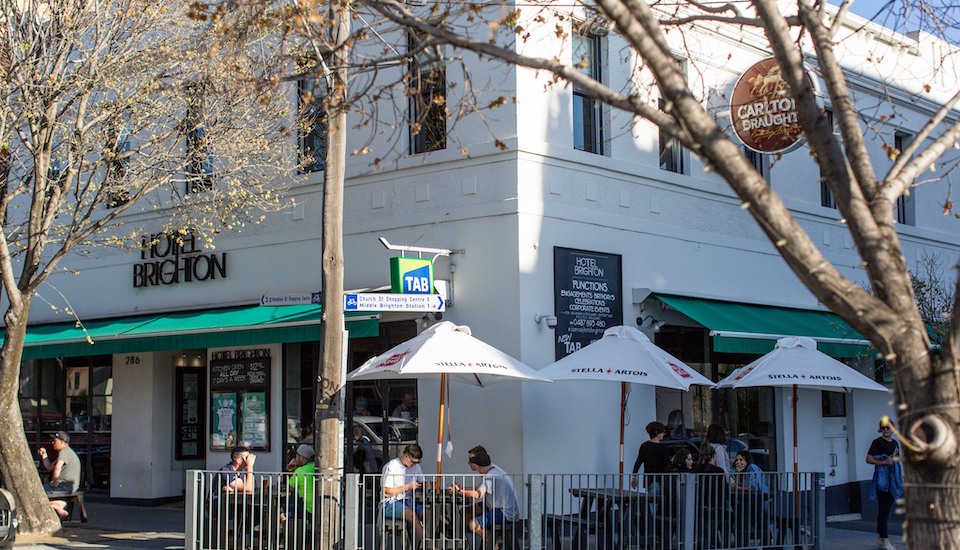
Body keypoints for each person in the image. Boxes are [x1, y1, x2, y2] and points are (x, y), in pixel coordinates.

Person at [450, 446, 520, 545]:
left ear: (477, 464)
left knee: (472, 524)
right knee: (466, 513)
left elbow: (478, 494)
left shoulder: (490, 476)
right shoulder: (490, 469)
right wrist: (462, 489)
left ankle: (494, 541)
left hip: (503, 512)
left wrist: (460, 491)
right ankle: (486, 539)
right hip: (498, 507)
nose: (468, 463)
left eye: (471, 461)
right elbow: (478, 487)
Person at [866, 419, 902, 550]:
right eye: (883, 427)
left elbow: (897, 461)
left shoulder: (895, 443)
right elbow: (868, 459)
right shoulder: (877, 443)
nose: (886, 430)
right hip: (882, 480)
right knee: (884, 510)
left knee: (884, 510)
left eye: (888, 427)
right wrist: (884, 462)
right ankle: (886, 540)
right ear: (880, 429)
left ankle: (881, 538)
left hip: (893, 479)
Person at [381, 443, 428, 542]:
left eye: (416, 462)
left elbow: (422, 481)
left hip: (410, 501)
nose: (414, 465)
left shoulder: (416, 467)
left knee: (429, 514)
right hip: (391, 502)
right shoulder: (392, 466)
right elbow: (387, 492)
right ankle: (427, 545)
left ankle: (431, 540)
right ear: (406, 455)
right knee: (411, 514)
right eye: (412, 462)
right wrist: (407, 487)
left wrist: (422, 486)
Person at [37, 431, 81, 518]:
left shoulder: (65, 451)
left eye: (55, 441)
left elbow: (57, 467)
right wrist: (44, 455)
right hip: (67, 485)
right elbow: (49, 467)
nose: (52, 443)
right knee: (42, 492)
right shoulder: (65, 453)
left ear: (62, 442)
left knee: (38, 491)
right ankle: (59, 506)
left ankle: (58, 505)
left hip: (66, 485)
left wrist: (54, 481)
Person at [731, 450, 768, 546]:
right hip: (751, 502)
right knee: (741, 515)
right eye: (737, 460)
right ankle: (742, 542)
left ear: (747, 460)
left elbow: (753, 487)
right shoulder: (744, 471)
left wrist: (737, 487)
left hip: (759, 502)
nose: (738, 462)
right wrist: (738, 473)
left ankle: (743, 542)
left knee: (744, 517)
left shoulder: (752, 468)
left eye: (741, 460)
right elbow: (739, 485)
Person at [630, 421, 671, 490]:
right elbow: (667, 464)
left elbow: (638, 462)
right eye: (663, 431)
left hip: (648, 479)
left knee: (652, 498)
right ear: (657, 432)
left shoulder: (644, 446)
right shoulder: (661, 447)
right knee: (659, 499)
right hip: (660, 479)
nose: (664, 434)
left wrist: (634, 477)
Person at [288, 444, 316, 514]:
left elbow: (290, 486)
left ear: (301, 458)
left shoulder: (299, 471)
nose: (295, 459)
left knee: (284, 509)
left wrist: (292, 472)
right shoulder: (316, 466)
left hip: (307, 507)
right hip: (320, 505)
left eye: (296, 456)